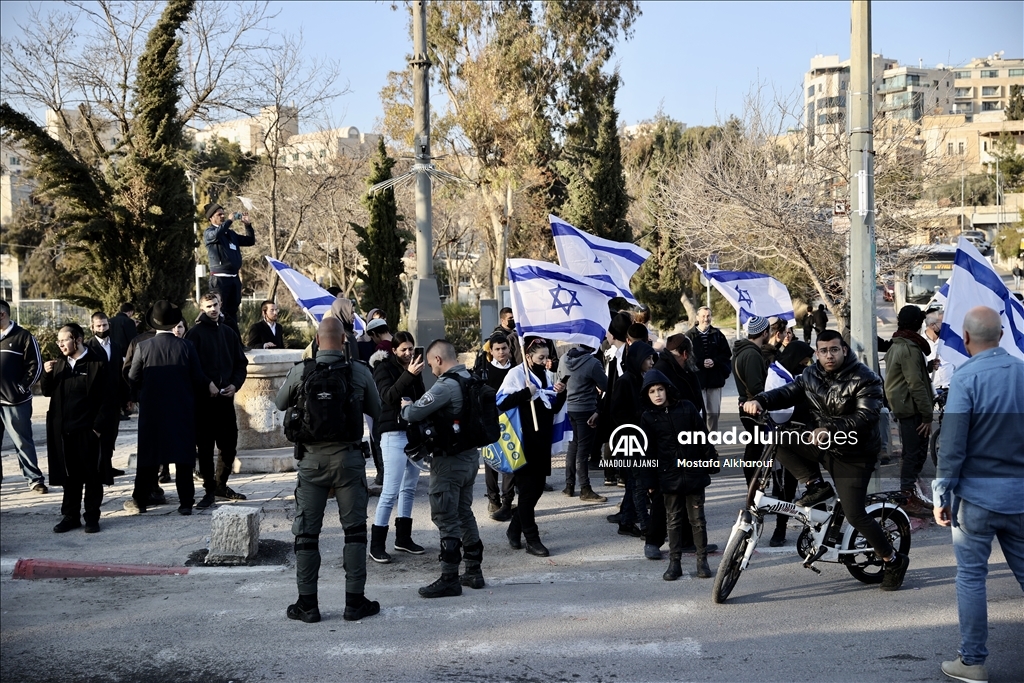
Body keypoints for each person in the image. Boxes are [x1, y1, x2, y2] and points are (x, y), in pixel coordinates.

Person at [742, 329, 910, 591]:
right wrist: (761, 400)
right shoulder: (811, 374)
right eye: (823, 351)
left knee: (855, 515)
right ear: (816, 353)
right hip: (824, 444)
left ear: (844, 349)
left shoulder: (866, 379)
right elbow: (788, 392)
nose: (828, 355)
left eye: (834, 349)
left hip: (854, 455)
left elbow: (866, 417)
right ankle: (815, 485)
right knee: (779, 439)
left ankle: (892, 559)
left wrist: (829, 429)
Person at [932, 306, 1024, 683]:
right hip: (1020, 495)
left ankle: (972, 662)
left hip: (975, 499)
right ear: (1001, 336)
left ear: (966, 339)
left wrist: (941, 493)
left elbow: (951, 448)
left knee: (971, 578)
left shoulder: (966, 380)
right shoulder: (1022, 373)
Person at [275, 317, 382, 623]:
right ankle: (354, 602)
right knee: (355, 532)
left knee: (307, 535)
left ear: (317, 341)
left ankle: (307, 605)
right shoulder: (359, 372)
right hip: (349, 463)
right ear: (344, 342)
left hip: (311, 463)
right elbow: (376, 411)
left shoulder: (301, 371)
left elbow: (281, 403)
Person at [401, 339, 484, 597]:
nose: (431, 370)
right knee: (463, 513)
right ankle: (473, 570)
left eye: (430, 364)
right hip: (470, 458)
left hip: (449, 462)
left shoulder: (446, 385)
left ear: (438, 359)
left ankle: (449, 577)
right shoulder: (471, 379)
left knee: (445, 517)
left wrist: (405, 408)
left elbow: (414, 413)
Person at [127, 302, 216, 516]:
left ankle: (140, 499)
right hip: (182, 408)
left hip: (152, 410)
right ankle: (186, 502)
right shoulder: (186, 347)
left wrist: (146, 392)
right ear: (174, 322)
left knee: (148, 456)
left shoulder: (144, 347)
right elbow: (197, 376)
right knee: (184, 456)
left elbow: (132, 376)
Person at [639, 369, 716, 580]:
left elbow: (702, 436)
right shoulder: (648, 417)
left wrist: (711, 459)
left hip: (693, 474)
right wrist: (650, 480)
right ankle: (675, 563)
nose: (657, 394)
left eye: (660, 389)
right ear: (647, 395)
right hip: (668, 477)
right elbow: (648, 451)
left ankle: (702, 561)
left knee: (697, 521)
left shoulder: (687, 408)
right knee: (673, 521)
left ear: (667, 389)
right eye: (652, 391)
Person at [496, 337, 568, 558]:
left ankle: (514, 528)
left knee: (535, 491)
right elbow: (500, 401)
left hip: (541, 443)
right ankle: (532, 538)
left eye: (547, 357)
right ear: (528, 356)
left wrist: (560, 391)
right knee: (527, 493)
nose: (546, 361)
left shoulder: (546, 375)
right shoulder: (517, 374)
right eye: (541, 357)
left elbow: (553, 407)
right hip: (523, 443)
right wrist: (525, 393)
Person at [42, 323, 116, 533]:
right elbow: (48, 392)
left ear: (78, 339)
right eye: (59, 340)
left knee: (92, 476)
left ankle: (92, 517)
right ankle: (70, 516)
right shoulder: (59, 366)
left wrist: (97, 429)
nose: (60, 344)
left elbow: (109, 399)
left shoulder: (97, 364)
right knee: (70, 478)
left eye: (64, 339)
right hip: (65, 432)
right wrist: (47, 374)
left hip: (89, 431)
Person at [185, 292, 249, 508]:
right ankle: (209, 490)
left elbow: (241, 363)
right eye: (208, 306)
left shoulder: (229, 333)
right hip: (204, 403)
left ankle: (221, 484)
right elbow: (191, 367)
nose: (213, 309)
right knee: (204, 448)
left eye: (215, 305)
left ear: (220, 305)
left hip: (225, 401)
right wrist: (207, 384)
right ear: (201, 308)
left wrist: (235, 384)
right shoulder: (194, 334)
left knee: (229, 445)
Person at [369, 330, 427, 563]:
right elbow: (388, 396)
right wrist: (409, 375)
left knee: (409, 488)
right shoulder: (383, 368)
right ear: (393, 350)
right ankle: (377, 545)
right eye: (403, 349)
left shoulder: (415, 366)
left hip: (414, 433)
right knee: (390, 490)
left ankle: (403, 538)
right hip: (393, 433)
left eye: (411, 348)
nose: (408, 353)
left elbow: (421, 397)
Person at [883, 305, 934, 518]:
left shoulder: (899, 344)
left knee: (914, 454)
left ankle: (910, 494)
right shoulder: (910, 348)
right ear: (916, 324)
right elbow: (916, 384)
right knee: (913, 455)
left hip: (906, 407)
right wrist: (927, 415)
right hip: (912, 410)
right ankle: (905, 498)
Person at [0, 299, 47, 493]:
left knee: (22, 441)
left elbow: (36, 366)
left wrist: (21, 388)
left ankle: (34, 479)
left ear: (2, 314)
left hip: (15, 401)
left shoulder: (23, 337)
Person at [473, 334, 516, 520]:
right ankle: (493, 499)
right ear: (491, 351)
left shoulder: (516, 370)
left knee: (511, 460)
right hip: (490, 423)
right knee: (491, 461)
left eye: (504, 348)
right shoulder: (484, 372)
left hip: (512, 423)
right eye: (497, 349)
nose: (501, 352)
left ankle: (507, 501)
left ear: (509, 348)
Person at [561, 343, 608, 503]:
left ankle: (569, 485)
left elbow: (562, 380)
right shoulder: (593, 362)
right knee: (583, 450)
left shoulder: (563, 358)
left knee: (573, 446)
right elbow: (606, 385)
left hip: (569, 408)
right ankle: (585, 489)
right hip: (586, 409)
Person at [203, 202, 256, 336]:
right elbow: (216, 234)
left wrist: (247, 225)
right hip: (219, 279)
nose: (222, 216)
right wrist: (230, 220)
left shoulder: (230, 234)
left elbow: (250, 241)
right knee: (221, 311)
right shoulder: (209, 233)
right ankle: (222, 341)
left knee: (233, 311)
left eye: (223, 214)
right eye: (219, 214)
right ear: (211, 218)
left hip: (234, 278)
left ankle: (236, 342)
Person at [733, 316, 771, 484]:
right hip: (752, 408)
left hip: (746, 406)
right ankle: (752, 486)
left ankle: (753, 485)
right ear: (765, 333)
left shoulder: (744, 351)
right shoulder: (752, 354)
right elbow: (755, 387)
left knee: (754, 447)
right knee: (755, 449)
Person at [86, 312, 125, 478]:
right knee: (96, 434)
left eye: (105, 325)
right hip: (96, 401)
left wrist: (126, 397)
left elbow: (120, 373)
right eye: (99, 326)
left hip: (114, 399)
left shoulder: (115, 347)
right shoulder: (89, 348)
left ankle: (107, 466)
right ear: (92, 328)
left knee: (111, 434)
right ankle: (96, 468)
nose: (103, 328)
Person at [685, 306, 732, 432]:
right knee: (698, 414)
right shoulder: (689, 336)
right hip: (697, 381)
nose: (706, 319)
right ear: (697, 317)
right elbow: (686, 357)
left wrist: (714, 361)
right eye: (703, 316)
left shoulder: (718, 335)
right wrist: (701, 363)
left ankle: (712, 443)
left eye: (708, 316)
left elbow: (726, 354)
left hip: (714, 381)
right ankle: (701, 444)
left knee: (713, 414)